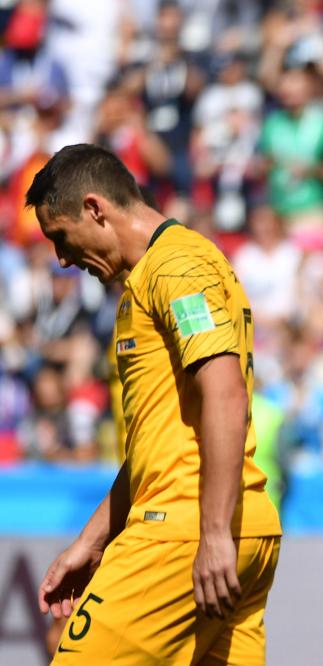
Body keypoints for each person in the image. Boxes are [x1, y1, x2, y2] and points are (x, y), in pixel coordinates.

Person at [29, 144, 282, 664]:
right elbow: (159, 440)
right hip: (233, 526)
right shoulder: (159, 275)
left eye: (60, 235)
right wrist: (93, 540)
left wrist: (212, 534)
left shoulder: (177, 269)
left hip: (183, 534)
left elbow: (225, 393)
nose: (61, 257)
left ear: (95, 209)